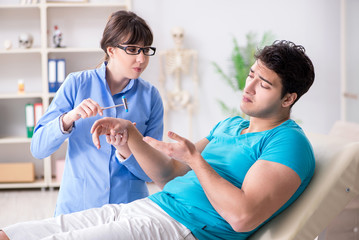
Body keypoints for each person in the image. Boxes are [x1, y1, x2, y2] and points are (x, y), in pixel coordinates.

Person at [1, 40, 315, 240]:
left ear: (288, 98)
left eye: (264, 84)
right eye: (250, 75)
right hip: (151, 207)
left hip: (183, 227)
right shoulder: (230, 125)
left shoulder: (287, 143)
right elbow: (168, 175)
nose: (248, 88)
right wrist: (131, 135)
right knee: (26, 232)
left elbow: (243, 217)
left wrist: (195, 159)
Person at [30, 10, 164, 216]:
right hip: (77, 208)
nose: (142, 58)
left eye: (146, 50)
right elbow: (38, 148)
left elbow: (154, 172)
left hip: (127, 211)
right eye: (133, 49)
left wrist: (125, 149)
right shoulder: (76, 84)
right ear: (111, 50)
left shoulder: (151, 96)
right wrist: (68, 119)